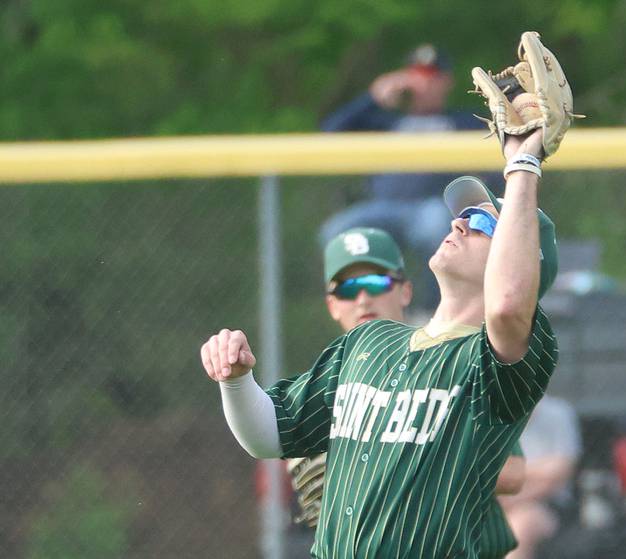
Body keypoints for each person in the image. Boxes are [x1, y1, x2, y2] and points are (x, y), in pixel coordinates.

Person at [200, 127, 559, 558]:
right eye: (462, 215)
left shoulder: (494, 363)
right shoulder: (369, 341)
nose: (458, 223)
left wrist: (523, 165)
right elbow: (269, 434)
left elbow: (506, 308)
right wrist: (237, 380)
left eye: (481, 221)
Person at [289, 226, 527, 558]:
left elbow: (514, 472)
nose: (363, 299)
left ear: (404, 291)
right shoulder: (322, 391)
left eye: (376, 282)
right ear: (332, 305)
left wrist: (407, 461)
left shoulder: (452, 362)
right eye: (348, 288)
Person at [319, 44, 493, 311]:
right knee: (337, 231)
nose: (423, 83)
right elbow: (329, 131)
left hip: (432, 205)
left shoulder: (461, 121)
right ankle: (360, 308)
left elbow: (496, 145)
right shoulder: (385, 121)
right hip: (383, 206)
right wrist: (373, 98)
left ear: (445, 82)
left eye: (431, 76)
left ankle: (434, 312)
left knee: (438, 227)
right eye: (416, 74)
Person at [498, 395, 582, 559]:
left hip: (546, 505)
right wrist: (538, 469)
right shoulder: (482, 413)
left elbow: (558, 472)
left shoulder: (559, 413)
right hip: (490, 504)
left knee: (518, 529)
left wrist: (508, 472)